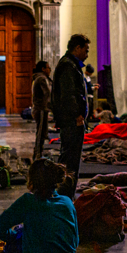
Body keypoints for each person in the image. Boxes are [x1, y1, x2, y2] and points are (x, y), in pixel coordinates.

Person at [52, 34, 90, 195]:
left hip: (71, 120)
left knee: (69, 157)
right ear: (77, 48)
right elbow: (69, 94)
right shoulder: (68, 66)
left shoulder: (71, 64)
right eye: (86, 50)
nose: (87, 54)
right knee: (70, 159)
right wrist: (77, 115)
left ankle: (64, 194)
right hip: (72, 121)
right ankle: (64, 195)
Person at [31, 61, 52, 161]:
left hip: (41, 109)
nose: (50, 70)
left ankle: (39, 153)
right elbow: (47, 94)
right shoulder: (42, 79)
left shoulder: (40, 78)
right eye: (48, 67)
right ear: (43, 69)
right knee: (40, 133)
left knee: (43, 132)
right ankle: (37, 155)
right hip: (41, 109)